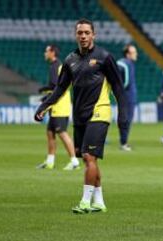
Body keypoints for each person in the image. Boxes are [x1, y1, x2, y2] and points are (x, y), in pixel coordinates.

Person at [34, 19, 128, 214]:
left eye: (87, 32)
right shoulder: (70, 60)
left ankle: (85, 202)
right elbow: (60, 88)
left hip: (99, 112)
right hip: (79, 116)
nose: (83, 36)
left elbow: (118, 87)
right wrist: (44, 105)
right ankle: (99, 202)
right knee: (89, 160)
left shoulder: (104, 57)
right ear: (75, 35)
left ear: (94, 35)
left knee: (88, 156)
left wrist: (123, 115)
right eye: (80, 33)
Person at [36, 45, 80, 170]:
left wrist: (44, 94)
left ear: (52, 52)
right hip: (57, 104)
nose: (45, 53)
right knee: (50, 132)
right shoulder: (57, 65)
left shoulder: (56, 66)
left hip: (59, 105)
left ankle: (74, 161)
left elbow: (55, 86)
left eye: (46, 51)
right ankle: (50, 161)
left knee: (62, 132)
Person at [117, 44, 138, 151]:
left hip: (128, 97)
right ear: (128, 54)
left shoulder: (128, 64)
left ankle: (124, 141)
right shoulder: (125, 64)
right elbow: (125, 82)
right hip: (127, 97)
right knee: (126, 120)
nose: (136, 54)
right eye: (134, 52)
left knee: (125, 120)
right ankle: (123, 143)